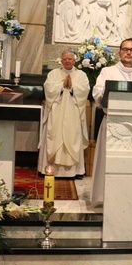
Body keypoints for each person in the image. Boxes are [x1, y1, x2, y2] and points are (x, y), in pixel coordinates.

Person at [90, 38, 132, 206]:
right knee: (108, 162)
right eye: (125, 49)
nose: (128, 52)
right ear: (119, 52)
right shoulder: (107, 72)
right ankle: (106, 197)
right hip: (113, 124)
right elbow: (97, 93)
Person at [38, 50, 90, 178]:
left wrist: (73, 87)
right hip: (56, 111)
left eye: (70, 59)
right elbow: (48, 89)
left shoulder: (81, 75)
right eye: (65, 59)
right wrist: (61, 86)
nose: (67, 61)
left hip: (73, 112)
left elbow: (85, 90)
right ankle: (49, 169)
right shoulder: (53, 74)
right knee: (55, 135)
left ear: (74, 60)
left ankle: (74, 172)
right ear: (61, 61)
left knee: (72, 135)